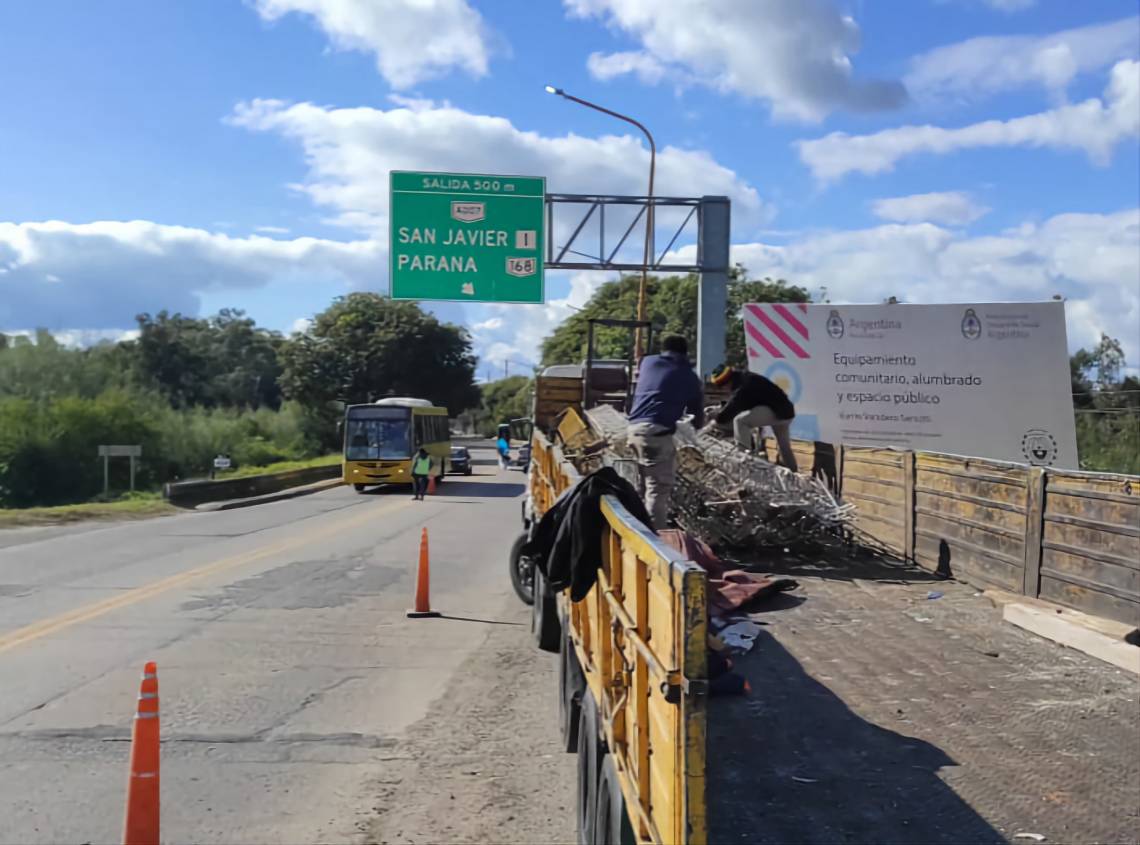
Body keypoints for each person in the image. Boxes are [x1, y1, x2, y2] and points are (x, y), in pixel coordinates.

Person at [626, 334, 705, 530]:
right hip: (656, 433)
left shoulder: (648, 362)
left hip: (633, 429)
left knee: (642, 487)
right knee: (657, 491)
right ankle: (656, 543)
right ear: (685, 353)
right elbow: (697, 418)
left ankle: (635, 528)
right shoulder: (688, 376)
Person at [710, 364, 798, 472]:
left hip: (777, 411)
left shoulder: (743, 387)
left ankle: (745, 462)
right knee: (784, 447)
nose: (722, 389)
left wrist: (715, 420)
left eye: (721, 385)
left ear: (726, 382)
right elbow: (739, 403)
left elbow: (732, 408)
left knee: (740, 421)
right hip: (786, 411)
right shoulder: (745, 378)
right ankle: (795, 474)